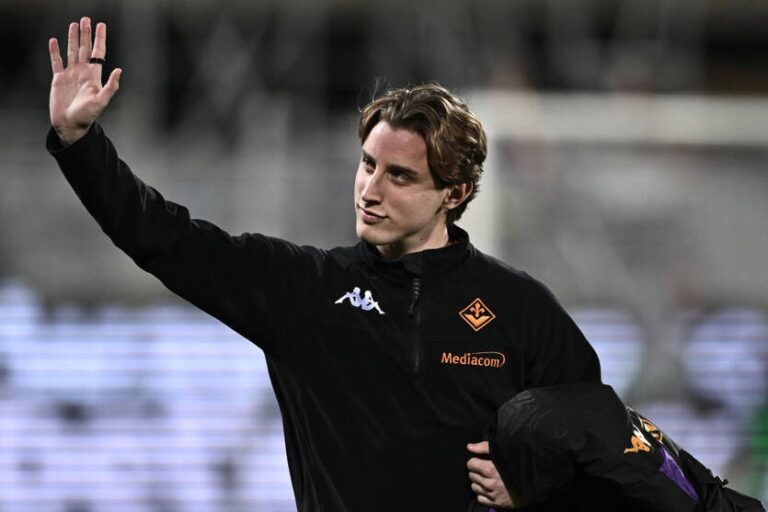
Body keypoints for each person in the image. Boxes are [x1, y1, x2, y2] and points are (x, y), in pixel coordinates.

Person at [46, 17, 601, 511]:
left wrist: (533, 485)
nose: (370, 191)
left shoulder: (519, 309)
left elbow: (599, 440)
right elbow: (163, 237)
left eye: (400, 176)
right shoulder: (305, 290)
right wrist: (79, 142)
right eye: (367, 164)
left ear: (453, 193)